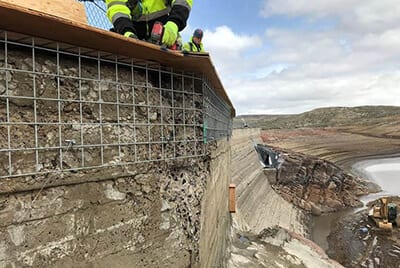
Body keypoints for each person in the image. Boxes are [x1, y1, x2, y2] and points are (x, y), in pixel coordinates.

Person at [105, 0, 193, 47]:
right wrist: (126, 32)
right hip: (134, 30)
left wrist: (174, 24)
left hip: (164, 31)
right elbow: (117, 9)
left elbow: (182, 1)